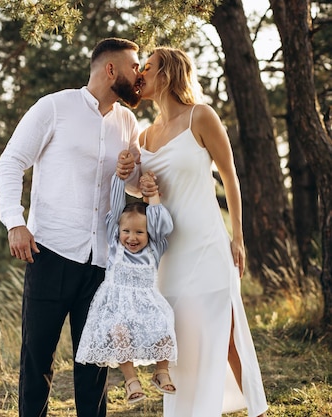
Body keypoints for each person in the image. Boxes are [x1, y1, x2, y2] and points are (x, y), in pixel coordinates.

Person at [0, 37, 143, 417]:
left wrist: (131, 174)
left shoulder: (128, 121)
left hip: (102, 261)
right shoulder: (55, 107)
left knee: (94, 364)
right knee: (37, 359)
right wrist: (15, 221)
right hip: (50, 253)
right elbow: (10, 162)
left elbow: (133, 184)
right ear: (111, 69)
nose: (139, 74)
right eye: (134, 65)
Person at [136, 46, 268, 416]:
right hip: (169, 255)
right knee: (180, 340)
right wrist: (131, 174)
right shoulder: (145, 137)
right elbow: (140, 187)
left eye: (149, 66)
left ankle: (258, 411)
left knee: (225, 335)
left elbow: (230, 177)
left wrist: (238, 237)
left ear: (167, 74)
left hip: (208, 244)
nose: (141, 73)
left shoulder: (201, 116)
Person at [75, 171, 177, 405]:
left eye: (140, 232)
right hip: (117, 305)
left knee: (164, 329)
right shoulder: (114, 242)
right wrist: (120, 177)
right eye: (127, 231)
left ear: (149, 233)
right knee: (121, 335)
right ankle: (131, 381)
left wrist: (152, 194)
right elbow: (116, 203)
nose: (132, 237)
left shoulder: (155, 246)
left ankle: (161, 371)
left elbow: (163, 223)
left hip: (147, 304)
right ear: (118, 230)